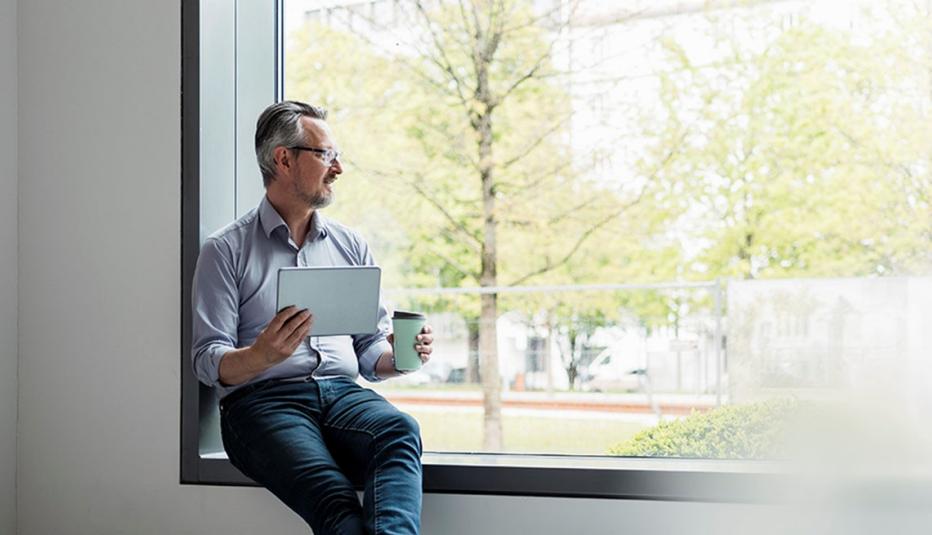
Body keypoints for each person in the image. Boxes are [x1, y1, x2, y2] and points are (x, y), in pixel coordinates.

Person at [191, 101, 432, 534]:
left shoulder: (350, 245)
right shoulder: (225, 249)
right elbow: (208, 360)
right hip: (262, 404)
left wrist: (396, 355)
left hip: (341, 393)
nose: (338, 167)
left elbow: (367, 350)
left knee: (399, 430)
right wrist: (260, 355)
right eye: (325, 155)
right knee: (333, 497)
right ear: (283, 159)